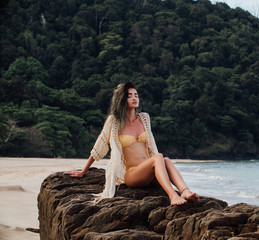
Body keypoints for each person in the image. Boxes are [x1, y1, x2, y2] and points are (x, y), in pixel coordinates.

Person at [64, 82, 199, 205]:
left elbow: (151, 146)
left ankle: (185, 191)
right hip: (133, 174)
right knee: (159, 157)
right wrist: (83, 171)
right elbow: (100, 144)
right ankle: (173, 196)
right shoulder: (114, 121)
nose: (135, 98)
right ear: (122, 99)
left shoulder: (144, 118)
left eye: (136, 95)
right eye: (130, 96)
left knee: (166, 160)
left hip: (151, 172)